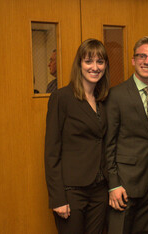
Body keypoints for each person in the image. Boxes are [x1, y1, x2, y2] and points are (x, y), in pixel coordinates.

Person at [44, 39, 110, 233]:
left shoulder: (104, 100)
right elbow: (52, 152)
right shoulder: (62, 98)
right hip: (71, 191)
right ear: (79, 64)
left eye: (100, 62)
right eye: (89, 61)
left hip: (100, 191)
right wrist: (57, 198)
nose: (94, 67)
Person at [104, 36, 148, 234]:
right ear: (133, 60)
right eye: (142, 56)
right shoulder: (116, 95)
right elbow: (108, 144)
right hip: (124, 185)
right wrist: (113, 184)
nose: (147, 61)